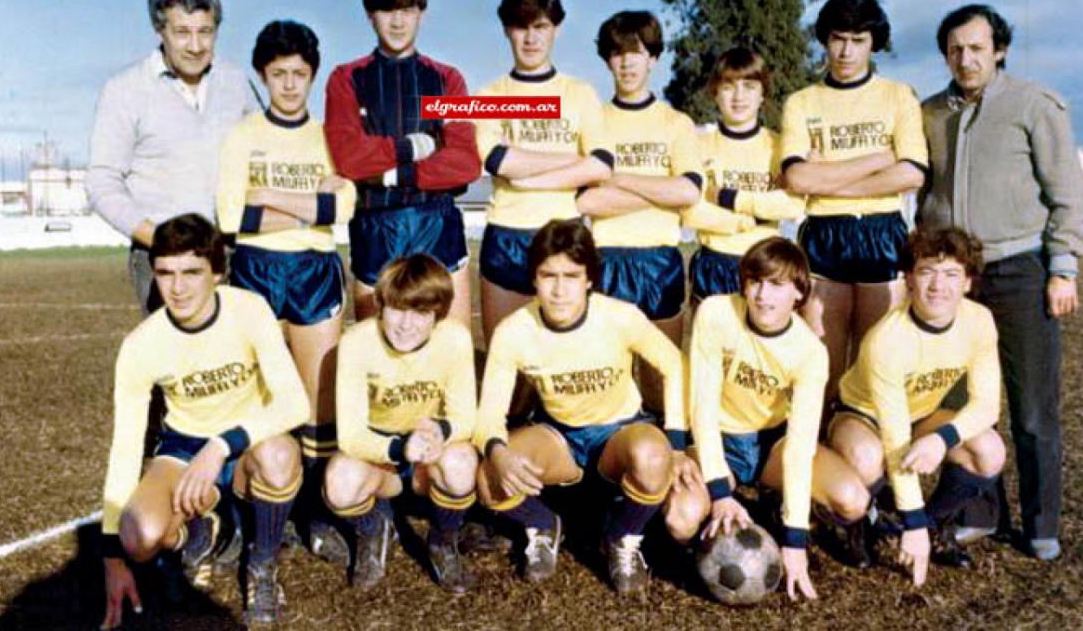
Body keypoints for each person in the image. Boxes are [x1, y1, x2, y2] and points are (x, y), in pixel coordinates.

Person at [918, 4, 1083, 561]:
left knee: (1032, 406)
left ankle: (1041, 525)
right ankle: (982, 512)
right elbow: (925, 196)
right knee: (963, 399)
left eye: (976, 47)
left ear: (999, 49)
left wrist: (1062, 266)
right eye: (954, 49)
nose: (965, 59)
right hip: (955, 277)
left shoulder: (1033, 106)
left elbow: (1066, 191)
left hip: (1020, 268)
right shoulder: (929, 114)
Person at [100, 214, 309, 629]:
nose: (177, 288)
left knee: (280, 456)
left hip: (247, 443)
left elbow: (295, 404)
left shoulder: (249, 309)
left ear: (217, 272)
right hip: (183, 447)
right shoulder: (141, 345)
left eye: (191, 272)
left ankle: (262, 566)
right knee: (138, 537)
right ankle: (201, 531)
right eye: (165, 273)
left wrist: (221, 445)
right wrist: (112, 557)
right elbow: (125, 448)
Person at [474, 219, 692, 596]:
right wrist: (498, 451)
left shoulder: (619, 316)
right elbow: (489, 413)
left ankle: (622, 536)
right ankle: (543, 524)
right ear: (534, 278)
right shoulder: (514, 330)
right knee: (488, 480)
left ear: (589, 278)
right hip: (560, 436)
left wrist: (675, 443)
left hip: (619, 433)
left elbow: (676, 365)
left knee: (654, 456)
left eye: (571, 276)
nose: (559, 290)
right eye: (548, 276)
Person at [216, 20, 356, 560]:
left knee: (318, 399)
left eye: (300, 74)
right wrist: (309, 207)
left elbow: (340, 211)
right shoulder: (243, 136)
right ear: (263, 75)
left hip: (314, 268)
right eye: (279, 74)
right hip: (256, 270)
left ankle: (315, 517)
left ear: (313, 75)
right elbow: (231, 217)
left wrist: (267, 197)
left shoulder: (328, 136)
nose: (290, 85)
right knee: (261, 396)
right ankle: (253, 516)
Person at [664, 237, 863, 602]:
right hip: (719, 437)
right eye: (755, 281)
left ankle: (774, 505)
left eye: (776, 284)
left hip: (772, 443)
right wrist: (720, 492)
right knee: (681, 518)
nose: (762, 295)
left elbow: (800, 449)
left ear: (799, 293)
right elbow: (703, 408)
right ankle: (715, 536)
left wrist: (795, 539)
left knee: (851, 499)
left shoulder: (810, 353)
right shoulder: (716, 312)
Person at [829, 227, 1006, 581]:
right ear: (909, 279)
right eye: (927, 272)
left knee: (988, 450)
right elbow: (895, 437)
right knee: (868, 458)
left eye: (952, 274)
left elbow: (987, 406)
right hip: (864, 415)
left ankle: (935, 523)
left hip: (919, 415)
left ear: (968, 282)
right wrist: (910, 519)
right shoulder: (888, 341)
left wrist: (942, 438)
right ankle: (864, 521)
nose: (938, 286)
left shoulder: (979, 321)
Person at [779, 0, 928, 411]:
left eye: (858, 40)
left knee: (875, 363)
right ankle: (816, 459)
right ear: (824, 39)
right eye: (838, 38)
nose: (846, 51)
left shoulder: (899, 96)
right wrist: (877, 161)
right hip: (825, 234)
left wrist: (826, 180)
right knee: (819, 362)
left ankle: (871, 468)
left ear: (873, 43)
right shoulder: (802, 101)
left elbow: (913, 173)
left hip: (882, 232)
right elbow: (795, 176)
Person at [87, 0, 259, 314]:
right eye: (182, 32)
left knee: (237, 362)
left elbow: (265, 152)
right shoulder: (124, 89)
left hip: (235, 252)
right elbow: (101, 182)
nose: (195, 45)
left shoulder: (236, 81)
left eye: (205, 32)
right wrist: (160, 238)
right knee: (178, 363)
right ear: (159, 30)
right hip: (164, 257)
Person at [324, 0, 480, 326]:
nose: (398, 22)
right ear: (370, 15)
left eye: (407, 10)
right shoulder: (346, 79)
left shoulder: (445, 80)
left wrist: (390, 175)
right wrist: (411, 148)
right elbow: (350, 158)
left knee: (451, 344)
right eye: (387, 10)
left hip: (437, 220)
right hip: (375, 225)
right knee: (378, 350)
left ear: (421, 15)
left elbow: (465, 162)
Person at [324, 255, 478, 593]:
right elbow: (349, 435)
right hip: (382, 460)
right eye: (397, 309)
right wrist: (397, 448)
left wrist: (441, 432)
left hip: (429, 454)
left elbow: (466, 415)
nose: (406, 324)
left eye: (421, 312)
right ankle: (373, 529)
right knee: (340, 482)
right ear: (379, 304)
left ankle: (442, 540)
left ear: (438, 313)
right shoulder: (357, 342)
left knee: (462, 462)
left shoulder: (455, 338)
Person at [576, 11, 702, 413]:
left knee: (662, 383)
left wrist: (618, 179)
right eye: (617, 54)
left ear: (653, 58)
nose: (627, 63)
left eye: (637, 53)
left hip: (659, 259)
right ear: (606, 60)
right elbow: (586, 201)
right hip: (607, 257)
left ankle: (669, 455)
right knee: (606, 378)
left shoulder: (676, 123)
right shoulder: (592, 120)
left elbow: (688, 190)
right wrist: (660, 189)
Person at [475, 0, 610, 344]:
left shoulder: (580, 93)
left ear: (557, 29)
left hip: (563, 234)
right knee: (507, 360)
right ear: (506, 29)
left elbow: (600, 165)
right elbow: (497, 159)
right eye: (521, 27)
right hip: (507, 234)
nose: (531, 39)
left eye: (541, 27)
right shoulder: (492, 94)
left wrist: (531, 176)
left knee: (564, 358)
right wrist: (571, 160)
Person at [681, 47, 805, 302]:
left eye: (749, 86)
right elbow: (691, 210)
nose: (738, 96)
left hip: (766, 266)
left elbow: (792, 204)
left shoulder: (780, 146)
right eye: (728, 86)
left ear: (763, 94)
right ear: (715, 92)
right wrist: (749, 219)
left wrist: (731, 199)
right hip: (713, 262)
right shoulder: (696, 143)